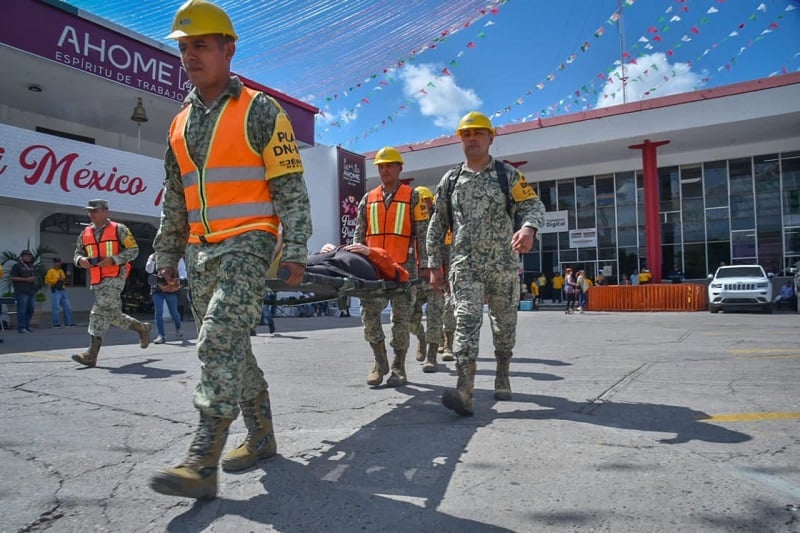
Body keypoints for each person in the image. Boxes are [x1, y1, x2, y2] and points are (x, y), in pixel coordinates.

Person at [148, 0, 312, 500]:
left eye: (200, 45)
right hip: (201, 252)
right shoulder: (178, 124)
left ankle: (202, 459)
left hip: (251, 242)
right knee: (234, 349)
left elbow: (289, 183)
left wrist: (297, 248)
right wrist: (168, 256)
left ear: (227, 49)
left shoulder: (260, 110)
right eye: (184, 46)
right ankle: (262, 437)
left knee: (217, 339)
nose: (190, 55)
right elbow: (174, 200)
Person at [424, 111, 545, 416]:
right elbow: (437, 224)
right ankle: (465, 388)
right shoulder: (450, 180)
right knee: (465, 321)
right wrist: (433, 264)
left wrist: (528, 228)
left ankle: (502, 371)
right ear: (460, 140)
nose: (472, 139)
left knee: (504, 326)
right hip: (464, 265)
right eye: (466, 134)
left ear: (491, 137)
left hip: (503, 265)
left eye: (478, 133)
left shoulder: (508, 175)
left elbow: (532, 204)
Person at [353, 146, 429, 388]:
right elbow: (359, 234)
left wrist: (426, 265)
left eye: (389, 166)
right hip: (375, 268)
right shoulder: (368, 198)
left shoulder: (412, 196)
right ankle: (380, 362)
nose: (384, 170)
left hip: (404, 269)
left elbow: (423, 233)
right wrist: (356, 262)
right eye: (381, 166)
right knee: (369, 314)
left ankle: (398, 366)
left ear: (399, 168)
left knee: (401, 319)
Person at [71, 200, 152, 366]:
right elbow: (77, 253)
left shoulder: (119, 229)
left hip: (115, 276)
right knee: (111, 314)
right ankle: (141, 328)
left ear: (105, 212)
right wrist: (81, 260)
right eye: (89, 211)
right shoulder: (85, 232)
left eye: (95, 211)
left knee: (98, 311)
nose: (91, 214)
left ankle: (91, 354)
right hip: (97, 278)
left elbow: (134, 250)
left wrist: (114, 259)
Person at [409, 185, 444, 373]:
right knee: (410, 318)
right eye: (421, 201)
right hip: (414, 279)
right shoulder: (410, 224)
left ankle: (431, 356)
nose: (424, 205)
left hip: (435, 278)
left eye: (426, 201)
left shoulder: (441, 224)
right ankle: (421, 339)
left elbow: (448, 251)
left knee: (435, 317)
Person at [145, 252, 185, 344]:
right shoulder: (153, 256)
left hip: (171, 289)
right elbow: (149, 270)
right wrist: (152, 260)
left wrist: (181, 281)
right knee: (158, 312)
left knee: (174, 312)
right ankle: (161, 335)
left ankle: (178, 327)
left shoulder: (177, 257)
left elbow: (182, 271)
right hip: (157, 289)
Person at [9, 249, 38, 333]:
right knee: (22, 310)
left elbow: (35, 276)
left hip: (31, 291)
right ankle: (21, 327)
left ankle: (26, 326)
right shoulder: (17, 266)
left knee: (31, 309)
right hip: (21, 291)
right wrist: (25, 279)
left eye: (29, 256)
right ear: (22, 257)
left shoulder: (32, 266)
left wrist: (35, 281)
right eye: (25, 255)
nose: (27, 257)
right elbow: (12, 277)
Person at [44, 257, 75, 327]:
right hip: (55, 290)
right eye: (56, 262)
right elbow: (47, 281)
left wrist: (64, 280)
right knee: (56, 307)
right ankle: (56, 323)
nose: (58, 264)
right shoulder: (51, 271)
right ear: (54, 263)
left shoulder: (61, 271)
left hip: (62, 290)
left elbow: (64, 278)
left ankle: (68, 322)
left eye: (59, 262)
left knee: (67, 307)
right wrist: (57, 279)